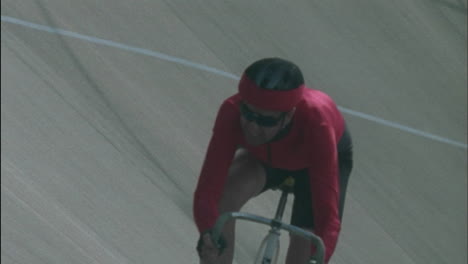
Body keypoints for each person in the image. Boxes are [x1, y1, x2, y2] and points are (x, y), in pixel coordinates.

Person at [193, 58, 353, 264]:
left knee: (305, 241)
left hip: (315, 163)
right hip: (265, 155)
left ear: (289, 116)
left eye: (265, 120)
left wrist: (318, 258)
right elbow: (207, 190)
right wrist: (208, 233)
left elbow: (327, 218)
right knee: (223, 200)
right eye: (247, 113)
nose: (252, 127)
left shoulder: (318, 126)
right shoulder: (231, 111)